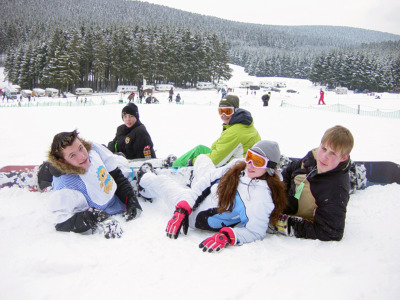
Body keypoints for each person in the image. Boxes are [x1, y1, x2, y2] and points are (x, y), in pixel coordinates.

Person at [137, 140, 286, 252]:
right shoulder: (239, 165)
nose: (251, 164)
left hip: (195, 216)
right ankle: (192, 178)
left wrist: (228, 236)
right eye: (250, 156)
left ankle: (144, 179)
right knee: (203, 158)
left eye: (258, 161)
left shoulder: (259, 197)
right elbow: (209, 178)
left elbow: (255, 231)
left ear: (270, 168)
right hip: (202, 196)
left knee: (164, 184)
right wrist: (185, 206)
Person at [47, 129, 143, 239]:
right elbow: (61, 221)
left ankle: (120, 157)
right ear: (63, 161)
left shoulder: (93, 151)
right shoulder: (68, 186)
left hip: (114, 200)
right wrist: (94, 216)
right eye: (73, 155)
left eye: (80, 148)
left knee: (121, 163)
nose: (82, 156)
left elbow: (115, 174)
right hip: (98, 207)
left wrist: (130, 199)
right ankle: (44, 173)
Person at [270, 125, 354, 241]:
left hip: (305, 209)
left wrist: (286, 224)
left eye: (333, 153)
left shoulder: (336, 190)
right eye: (324, 149)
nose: (324, 157)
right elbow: (289, 171)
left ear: (344, 158)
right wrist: (278, 194)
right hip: (294, 197)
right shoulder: (314, 157)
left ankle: (355, 175)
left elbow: (330, 232)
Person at [172, 95, 261, 167]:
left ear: (236, 111)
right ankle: (178, 163)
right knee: (200, 149)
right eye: (220, 111)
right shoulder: (243, 125)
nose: (223, 115)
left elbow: (215, 161)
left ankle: (174, 168)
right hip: (237, 162)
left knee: (198, 152)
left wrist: (192, 162)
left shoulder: (235, 132)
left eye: (227, 111)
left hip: (233, 168)